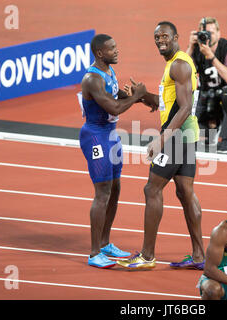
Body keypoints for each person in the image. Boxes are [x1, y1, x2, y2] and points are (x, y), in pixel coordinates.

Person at [117, 21, 205, 270]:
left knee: (151, 189)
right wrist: (141, 96)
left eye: (164, 36)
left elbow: (185, 107)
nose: (159, 40)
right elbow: (171, 104)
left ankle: (147, 256)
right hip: (186, 137)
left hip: (176, 137)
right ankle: (199, 256)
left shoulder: (178, 64)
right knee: (186, 194)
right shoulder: (176, 64)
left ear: (176, 36)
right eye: (156, 37)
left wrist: (162, 138)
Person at [79, 34, 146, 268]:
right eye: (112, 49)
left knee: (115, 188)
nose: (117, 51)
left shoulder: (109, 71)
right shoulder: (92, 79)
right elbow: (114, 106)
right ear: (99, 53)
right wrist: (136, 97)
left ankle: (106, 242)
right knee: (103, 192)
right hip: (96, 137)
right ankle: (94, 252)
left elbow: (116, 97)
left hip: (111, 135)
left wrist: (136, 97)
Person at [186, 17, 227, 154]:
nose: (207, 37)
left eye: (210, 33)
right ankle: (211, 128)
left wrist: (211, 56)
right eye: (203, 33)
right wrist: (190, 47)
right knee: (185, 95)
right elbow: (182, 71)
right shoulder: (197, 48)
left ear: (218, 33)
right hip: (206, 95)